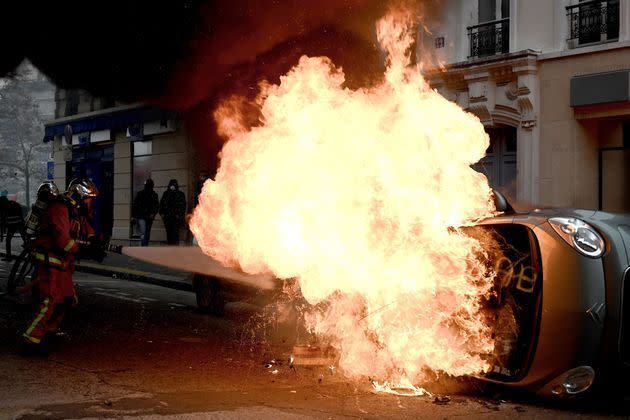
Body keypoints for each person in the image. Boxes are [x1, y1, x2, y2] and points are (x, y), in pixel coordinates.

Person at [20, 178, 104, 354]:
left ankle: (47, 332)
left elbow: (87, 231)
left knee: (67, 300)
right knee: (50, 301)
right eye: (88, 198)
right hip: (50, 263)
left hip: (63, 265)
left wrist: (96, 242)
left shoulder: (76, 211)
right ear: (79, 195)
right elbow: (62, 240)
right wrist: (82, 250)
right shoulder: (60, 208)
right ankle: (31, 339)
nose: (90, 203)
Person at [132, 179, 159, 246]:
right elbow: (136, 205)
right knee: (145, 232)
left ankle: (144, 245)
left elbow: (156, 205)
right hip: (144, 216)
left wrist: (153, 213)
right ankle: (144, 245)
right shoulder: (151, 194)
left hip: (145, 216)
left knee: (145, 232)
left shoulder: (150, 194)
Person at [159, 179, 186, 245]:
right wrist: (162, 214)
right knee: (169, 233)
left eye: (174, 184)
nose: (172, 186)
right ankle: (170, 247)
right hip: (167, 217)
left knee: (175, 233)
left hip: (176, 218)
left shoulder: (180, 194)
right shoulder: (166, 194)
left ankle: (175, 248)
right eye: (171, 184)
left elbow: (183, 206)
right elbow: (162, 204)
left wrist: (179, 215)